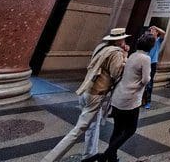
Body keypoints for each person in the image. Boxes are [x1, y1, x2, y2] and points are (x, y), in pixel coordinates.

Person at [42, 28, 129, 162]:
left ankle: (90, 155)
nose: (124, 40)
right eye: (123, 38)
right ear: (118, 40)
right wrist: (125, 56)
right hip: (96, 94)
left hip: (86, 90)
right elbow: (116, 74)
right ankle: (50, 159)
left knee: (93, 125)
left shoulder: (101, 48)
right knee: (78, 130)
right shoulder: (116, 53)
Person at [85, 33, 156, 162]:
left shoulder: (133, 55)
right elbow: (146, 80)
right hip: (131, 98)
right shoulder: (145, 58)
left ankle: (112, 157)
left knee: (117, 129)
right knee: (130, 129)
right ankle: (105, 156)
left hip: (118, 96)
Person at [143, 25, 165, 109]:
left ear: (157, 33)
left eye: (154, 31)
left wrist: (156, 27)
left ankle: (148, 101)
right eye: (151, 30)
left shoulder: (158, 41)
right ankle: (141, 100)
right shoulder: (146, 40)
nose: (152, 32)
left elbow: (163, 33)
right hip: (145, 61)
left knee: (149, 83)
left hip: (152, 63)